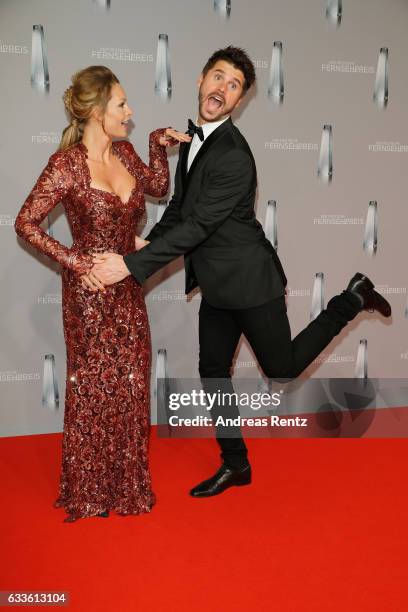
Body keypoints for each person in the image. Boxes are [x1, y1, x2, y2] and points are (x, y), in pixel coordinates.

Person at [91, 47, 392, 498]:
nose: (222, 89)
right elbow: (180, 207)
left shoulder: (233, 155)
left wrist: (131, 266)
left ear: (238, 101)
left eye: (233, 86)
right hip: (216, 284)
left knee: (283, 369)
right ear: (200, 80)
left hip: (251, 282)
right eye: (218, 77)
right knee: (213, 369)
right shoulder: (195, 141)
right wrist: (150, 242)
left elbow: (200, 225)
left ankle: (351, 297)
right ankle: (236, 464)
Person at [14, 65, 190, 521]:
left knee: (131, 384)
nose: (129, 113)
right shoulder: (66, 165)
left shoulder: (128, 153)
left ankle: (126, 486)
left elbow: (157, 187)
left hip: (127, 285)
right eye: (121, 105)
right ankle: (89, 489)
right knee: (93, 388)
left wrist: (155, 145)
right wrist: (76, 262)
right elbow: (25, 223)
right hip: (89, 294)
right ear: (95, 112)